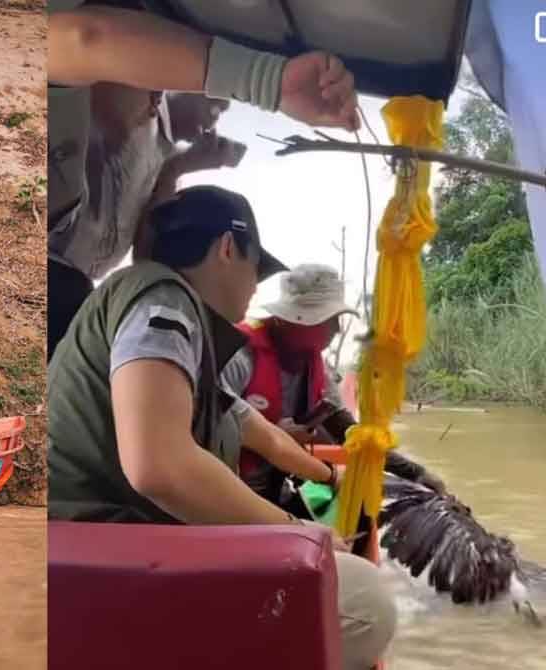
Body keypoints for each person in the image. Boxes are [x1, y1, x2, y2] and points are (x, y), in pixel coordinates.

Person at [48, 185, 394, 670]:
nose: (256, 287)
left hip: (112, 542)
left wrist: (332, 478)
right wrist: (295, 535)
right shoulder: (164, 303)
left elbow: (265, 436)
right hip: (96, 551)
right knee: (365, 604)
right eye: (256, 268)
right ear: (227, 249)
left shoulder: (184, 340)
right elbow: (159, 467)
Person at [47, 1, 360, 357]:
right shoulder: (51, 106)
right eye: (215, 106)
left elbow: (147, 266)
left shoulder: (154, 154)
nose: (154, 103)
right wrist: (269, 82)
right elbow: (84, 39)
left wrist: (177, 168)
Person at [222, 263, 447, 506]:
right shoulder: (238, 355)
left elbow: (350, 434)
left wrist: (415, 472)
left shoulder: (314, 367)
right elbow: (196, 434)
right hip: (226, 493)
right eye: (329, 320)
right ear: (291, 320)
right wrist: (267, 436)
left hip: (273, 488)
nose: (337, 330)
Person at [48, 84, 241, 359]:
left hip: (76, 284)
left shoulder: (167, 156)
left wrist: (177, 169)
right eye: (216, 108)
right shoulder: (135, 99)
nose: (213, 121)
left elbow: (146, 253)